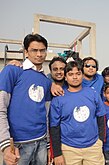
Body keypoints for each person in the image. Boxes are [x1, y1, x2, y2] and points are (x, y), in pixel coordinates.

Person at [0, 34, 52, 165]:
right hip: (18, 145)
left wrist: (47, 143)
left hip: (41, 143)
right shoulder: (12, 71)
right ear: (26, 52)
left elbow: (45, 114)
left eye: (42, 50)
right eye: (34, 50)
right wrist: (5, 146)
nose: (39, 54)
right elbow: (1, 109)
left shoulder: (46, 81)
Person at [49, 61, 106, 165]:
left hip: (93, 147)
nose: (75, 77)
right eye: (71, 74)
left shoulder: (93, 94)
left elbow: (101, 118)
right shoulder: (58, 98)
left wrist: (100, 141)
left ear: (82, 75)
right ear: (65, 77)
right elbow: (54, 127)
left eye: (78, 74)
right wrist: (57, 154)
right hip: (69, 149)